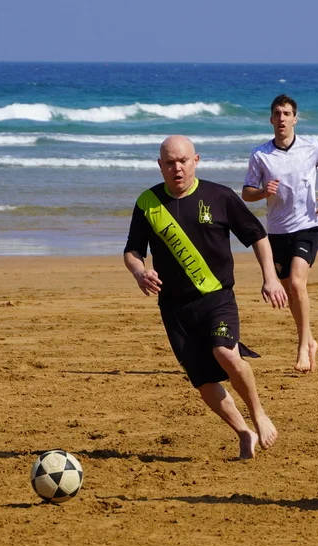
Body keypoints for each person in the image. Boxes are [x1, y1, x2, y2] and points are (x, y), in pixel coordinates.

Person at [124, 135, 289, 459]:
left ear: (196, 161)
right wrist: (139, 272)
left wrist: (270, 278)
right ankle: (244, 432)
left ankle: (258, 413)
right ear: (160, 166)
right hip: (174, 307)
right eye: (169, 163)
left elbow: (258, 236)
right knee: (202, 381)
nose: (177, 168)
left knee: (226, 353)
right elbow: (132, 251)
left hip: (217, 297)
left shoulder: (219, 196)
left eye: (183, 161)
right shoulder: (147, 203)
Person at [243, 94, 318, 373]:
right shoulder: (260, 155)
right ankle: (311, 340)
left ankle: (302, 347)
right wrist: (263, 192)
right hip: (277, 232)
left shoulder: (312, 146)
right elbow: (247, 193)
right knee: (290, 292)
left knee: (297, 284)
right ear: (271, 120)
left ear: (295, 119)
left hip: (308, 225)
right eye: (277, 113)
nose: (282, 118)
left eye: (286, 113)